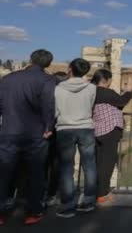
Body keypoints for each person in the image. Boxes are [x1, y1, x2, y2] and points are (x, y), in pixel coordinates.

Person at [0, 50, 56, 226]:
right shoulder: (47, 80)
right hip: (35, 134)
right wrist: (49, 127)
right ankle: (34, 211)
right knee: (36, 173)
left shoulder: (8, 78)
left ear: (30, 60)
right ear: (47, 64)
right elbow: (48, 105)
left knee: (4, 172)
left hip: (9, 131)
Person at [55, 58, 98, 218]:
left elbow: (55, 110)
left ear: (70, 69)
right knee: (89, 165)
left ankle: (67, 204)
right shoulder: (92, 88)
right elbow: (90, 105)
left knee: (67, 167)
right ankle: (88, 201)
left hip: (65, 128)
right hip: (86, 128)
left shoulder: (58, 88)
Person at [90, 69, 132, 205]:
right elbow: (121, 101)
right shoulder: (106, 92)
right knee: (107, 164)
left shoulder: (91, 92)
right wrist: (129, 91)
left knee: (98, 162)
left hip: (97, 130)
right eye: (110, 80)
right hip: (110, 130)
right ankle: (102, 193)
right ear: (106, 80)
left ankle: (97, 191)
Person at [45, 71, 69, 207]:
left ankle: (43, 193)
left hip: (46, 131)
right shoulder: (66, 94)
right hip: (62, 131)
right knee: (57, 165)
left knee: (43, 164)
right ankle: (53, 193)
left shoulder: (48, 93)